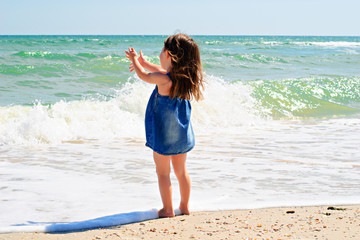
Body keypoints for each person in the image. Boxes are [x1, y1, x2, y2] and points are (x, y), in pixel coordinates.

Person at [125, 34, 204, 218]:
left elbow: (144, 76)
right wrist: (145, 62)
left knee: (163, 173)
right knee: (181, 171)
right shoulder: (184, 81)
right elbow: (159, 69)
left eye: (162, 50)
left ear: (169, 55)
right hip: (182, 133)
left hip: (163, 134)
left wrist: (135, 61)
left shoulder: (164, 81)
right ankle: (184, 207)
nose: (160, 54)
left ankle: (167, 210)